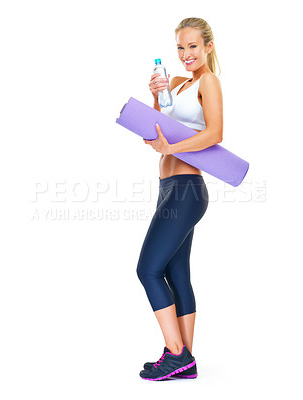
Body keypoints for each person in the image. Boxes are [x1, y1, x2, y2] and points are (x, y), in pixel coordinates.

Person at [136, 17, 223, 381]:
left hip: (188, 189)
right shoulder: (174, 83)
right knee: (174, 271)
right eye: (180, 48)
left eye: (192, 46)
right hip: (167, 188)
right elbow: (155, 130)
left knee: (147, 269)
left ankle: (175, 353)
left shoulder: (209, 81)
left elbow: (215, 133)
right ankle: (185, 361)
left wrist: (171, 146)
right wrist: (156, 96)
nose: (186, 54)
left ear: (207, 47)